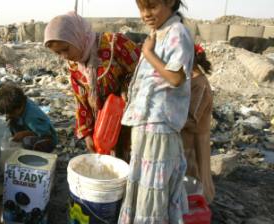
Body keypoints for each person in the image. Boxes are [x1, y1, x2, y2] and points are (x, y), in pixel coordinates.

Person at [118, 0, 194, 222]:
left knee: (153, 185)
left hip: (159, 123)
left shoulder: (177, 32)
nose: (145, 14)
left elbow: (176, 78)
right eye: (141, 8)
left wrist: (148, 53)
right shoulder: (160, 31)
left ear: (170, 2)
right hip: (147, 120)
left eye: (151, 6)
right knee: (145, 182)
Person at [44, 12, 140, 160]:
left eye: (65, 49)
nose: (64, 56)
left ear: (76, 37)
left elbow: (143, 69)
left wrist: (125, 87)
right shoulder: (75, 65)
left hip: (131, 117)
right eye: (58, 53)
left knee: (133, 160)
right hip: (104, 126)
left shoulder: (114, 43)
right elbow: (81, 100)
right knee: (110, 166)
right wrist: (87, 133)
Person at [181, 44, 215, 203]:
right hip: (188, 135)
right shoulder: (191, 79)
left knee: (196, 172)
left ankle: (201, 202)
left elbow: (192, 117)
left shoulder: (199, 85)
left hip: (195, 138)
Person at [0, 83, 58, 153]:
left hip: (46, 140)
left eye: (11, 113)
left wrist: (24, 134)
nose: (9, 115)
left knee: (27, 141)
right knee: (12, 122)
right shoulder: (22, 102)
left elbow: (46, 135)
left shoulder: (32, 117)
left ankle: (33, 154)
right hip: (30, 128)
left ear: (19, 107)